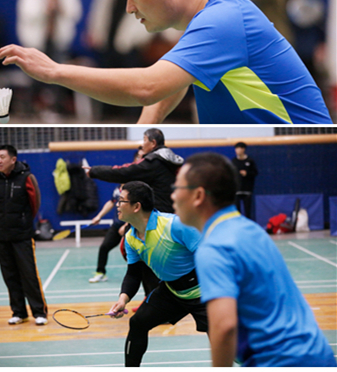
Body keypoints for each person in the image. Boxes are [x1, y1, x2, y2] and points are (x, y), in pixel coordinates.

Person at [0, 0, 332, 125]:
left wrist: (55, 71)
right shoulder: (210, 14)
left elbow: (148, 86)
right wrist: (146, 133)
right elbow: (175, 84)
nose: (129, 8)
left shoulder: (222, 21)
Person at [172, 152, 336, 367]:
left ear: (198, 195)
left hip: (280, 362)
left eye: (177, 187)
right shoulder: (253, 230)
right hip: (318, 354)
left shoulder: (214, 247)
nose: (173, 195)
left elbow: (224, 326)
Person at [107, 181, 208, 367]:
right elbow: (133, 274)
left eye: (121, 200)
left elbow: (210, 255)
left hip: (204, 293)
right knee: (138, 323)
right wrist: (123, 299)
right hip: (172, 291)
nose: (117, 205)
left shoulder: (174, 225)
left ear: (136, 207)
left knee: (232, 348)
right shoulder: (130, 237)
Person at [0, 145, 48, 325]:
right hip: (2, 236)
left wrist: (23, 221)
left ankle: (39, 312)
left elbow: (35, 203)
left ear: (13, 159)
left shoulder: (27, 178)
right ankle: (19, 312)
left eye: (2, 157)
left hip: (22, 236)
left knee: (29, 275)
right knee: (10, 276)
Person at [86, 129, 183, 213]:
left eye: (144, 140)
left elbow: (123, 173)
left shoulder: (153, 162)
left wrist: (94, 171)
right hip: (174, 212)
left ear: (153, 143)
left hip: (157, 215)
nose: (142, 144)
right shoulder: (172, 161)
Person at [87, 184, 125, 284]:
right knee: (104, 247)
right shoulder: (117, 188)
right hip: (117, 225)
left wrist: (126, 225)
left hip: (132, 226)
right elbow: (112, 202)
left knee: (133, 252)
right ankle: (100, 272)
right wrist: (99, 216)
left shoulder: (133, 188)